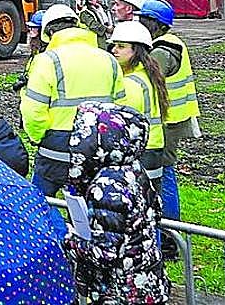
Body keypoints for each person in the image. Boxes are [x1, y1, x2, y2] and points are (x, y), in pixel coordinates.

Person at [62, 102, 169, 304]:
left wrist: (69, 239)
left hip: (121, 291)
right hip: (147, 283)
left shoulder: (106, 187)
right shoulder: (134, 170)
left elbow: (105, 254)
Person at [20, 3, 124, 198]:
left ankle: (53, 229)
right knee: (89, 205)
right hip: (99, 144)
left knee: (41, 203)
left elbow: (33, 111)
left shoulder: (47, 60)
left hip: (57, 146)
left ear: (49, 32)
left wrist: (38, 138)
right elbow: (121, 109)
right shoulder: (108, 59)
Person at [140, 0, 200, 237]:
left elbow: (147, 77)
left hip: (168, 120)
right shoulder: (166, 43)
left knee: (164, 173)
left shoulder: (164, 50)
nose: (142, 23)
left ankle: (170, 231)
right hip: (170, 117)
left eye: (146, 19)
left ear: (157, 23)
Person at [109, 19, 169, 189]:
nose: (114, 50)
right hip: (153, 146)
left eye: (121, 46)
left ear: (136, 50)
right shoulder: (146, 73)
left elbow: (123, 124)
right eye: (114, 45)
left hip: (142, 151)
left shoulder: (131, 84)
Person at [12, 10, 46, 94]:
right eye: (30, 27)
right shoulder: (35, 49)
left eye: (34, 27)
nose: (30, 30)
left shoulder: (47, 52)